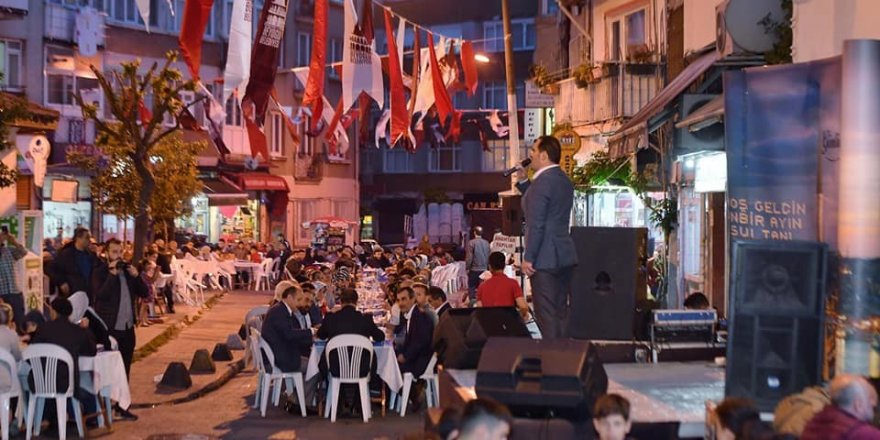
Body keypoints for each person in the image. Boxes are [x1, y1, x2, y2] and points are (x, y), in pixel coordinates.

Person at [515, 135, 578, 339]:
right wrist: (524, 181)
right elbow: (542, 205)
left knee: (546, 313)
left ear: (543, 155)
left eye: (533, 150)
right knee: (560, 310)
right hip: (563, 254)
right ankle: (565, 354)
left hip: (543, 257)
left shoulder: (542, 184)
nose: (530, 155)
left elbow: (537, 223)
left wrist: (529, 258)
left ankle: (554, 357)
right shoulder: (563, 180)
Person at [92, 238, 147, 420]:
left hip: (127, 327)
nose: (118, 255)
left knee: (125, 368)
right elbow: (101, 296)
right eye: (114, 252)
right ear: (106, 253)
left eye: (120, 252)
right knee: (108, 371)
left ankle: (122, 406)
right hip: (110, 329)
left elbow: (145, 293)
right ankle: (106, 407)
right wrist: (111, 274)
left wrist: (136, 276)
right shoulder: (100, 272)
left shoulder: (127, 272)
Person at [29, 297, 96, 411]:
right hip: (67, 382)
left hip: (40, 382)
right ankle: (86, 415)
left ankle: (40, 417)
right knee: (87, 382)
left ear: (54, 311)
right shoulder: (76, 330)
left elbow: (32, 352)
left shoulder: (43, 329)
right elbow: (91, 351)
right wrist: (86, 330)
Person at [260, 286, 314, 402]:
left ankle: (298, 397)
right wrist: (311, 332)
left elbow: (289, 334)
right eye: (298, 300)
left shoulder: (279, 309)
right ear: (289, 297)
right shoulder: (279, 312)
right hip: (279, 359)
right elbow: (289, 334)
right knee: (316, 368)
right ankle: (299, 401)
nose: (300, 304)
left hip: (279, 355)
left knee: (312, 363)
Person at [801, 374, 880, 439]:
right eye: (870, 398)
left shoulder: (813, 423)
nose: (874, 403)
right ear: (858, 404)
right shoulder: (865, 434)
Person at [476, 252, 530, 319]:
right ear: (504, 266)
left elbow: (480, 309)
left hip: (489, 325)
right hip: (508, 324)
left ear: (490, 267)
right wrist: (521, 316)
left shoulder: (482, 286)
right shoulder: (513, 283)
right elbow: (523, 306)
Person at [396, 286, 434, 377]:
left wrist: (405, 356)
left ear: (413, 299)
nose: (400, 303)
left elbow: (420, 343)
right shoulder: (407, 315)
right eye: (398, 300)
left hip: (420, 362)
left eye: (403, 299)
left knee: (387, 368)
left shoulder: (421, 317)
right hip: (413, 358)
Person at [52, 227, 99, 301]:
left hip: (87, 293)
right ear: (78, 238)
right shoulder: (66, 254)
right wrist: (62, 282)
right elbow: (55, 269)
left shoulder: (91, 255)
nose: (89, 240)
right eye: (86, 238)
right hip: (72, 293)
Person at [0, 227, 27, 331]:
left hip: (15, 293)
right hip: (2, 295)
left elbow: (23, 252)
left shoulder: (8, 251)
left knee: (20, 324)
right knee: (4, 326)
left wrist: (13, 241)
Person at [465, 226, 490, 306]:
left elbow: (469, 257)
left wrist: (467, 268)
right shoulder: (487, 243)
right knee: (483, 288)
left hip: (474, 269)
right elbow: (489, 256)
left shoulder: (471, 243)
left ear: (474, 232)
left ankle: (473, 304)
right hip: (484, 269)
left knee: (472, 287)